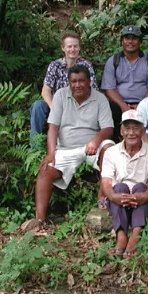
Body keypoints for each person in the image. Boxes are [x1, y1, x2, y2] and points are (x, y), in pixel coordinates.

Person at [23, 65, 114, 231]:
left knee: (110, 149)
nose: (77, 85)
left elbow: (108, 128)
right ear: (69, 82)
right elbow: (53, 127)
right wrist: (51, 153)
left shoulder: (100, 98)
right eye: (73, 81)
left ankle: (102, 198)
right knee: (45, 171)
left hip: (92, 145)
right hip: (66, 148)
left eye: (81, 81)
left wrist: (96, 140)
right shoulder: (60, 95)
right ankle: (40, 220)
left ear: (89, 81)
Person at [101, 110, 148, 257]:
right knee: (119, 187)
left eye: (136, 128)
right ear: (121, 131)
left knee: (141, 187)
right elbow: (106, 182)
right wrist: (113, 196)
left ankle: (136, 235)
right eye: (127, 128)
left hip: (141, 200)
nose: (131, 133)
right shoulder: (111, 152)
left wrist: (145, 196)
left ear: (143, 131)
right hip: (119, 198)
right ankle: (121, 236)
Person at [30, 31, 97, 137]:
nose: (72, 49)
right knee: (38, 106)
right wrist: (54, 108)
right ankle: (35, 145)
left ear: (79, 48)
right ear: (63, 48)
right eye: (69, 46)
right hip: (56, 105)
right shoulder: (55, 65)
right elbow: (45, 90)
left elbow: (93, 90)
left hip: (78, 105)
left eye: (75, 46)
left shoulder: (86, 66)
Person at [101, 25, 148, 142]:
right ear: (122, 41)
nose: (130, 42)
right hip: (119, 104)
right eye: (127, 38)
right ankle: (114, 141)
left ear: (140, 41)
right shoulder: (113, 61)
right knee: (108, 108)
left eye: (134, 38)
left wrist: (142, 105)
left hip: (144, 102)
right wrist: (124, 106)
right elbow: (109, 89)